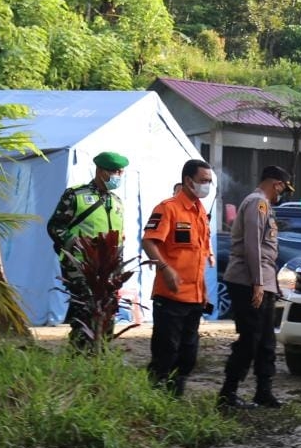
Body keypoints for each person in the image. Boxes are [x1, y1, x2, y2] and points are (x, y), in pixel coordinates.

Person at [218, 165, 293, 409]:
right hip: (247, 281)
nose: (281, 195)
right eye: (282, 189)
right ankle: (228, 393)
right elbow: (253, 245)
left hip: (263, 282)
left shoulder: (264, 206)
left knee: (266, 340)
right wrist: (259, 283)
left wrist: (270, 284)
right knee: (250, 337)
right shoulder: (257, 203)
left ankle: (264, 391)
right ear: (277, 184)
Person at [141, 159, 215, 396]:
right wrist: (165, 268)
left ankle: (175, 397)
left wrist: (204, 290)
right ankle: (153, 398)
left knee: (187, 354)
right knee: (166, 352)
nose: (207, 186)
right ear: (188, 181)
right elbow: (149, 241)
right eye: (203, 181)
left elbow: (201, 251)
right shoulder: (168, 208)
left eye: (210, 182)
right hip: (170, 294)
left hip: (194, 296)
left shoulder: (200, 211)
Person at [46, 151, 128, 350]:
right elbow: (55, 227)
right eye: (114, 171)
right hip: (81, 266)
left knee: (107, 312)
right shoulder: (76, 195)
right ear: (100, 171)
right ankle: (80, 355)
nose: (118, 175)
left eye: (121, 172)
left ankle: (101, 354)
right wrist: (77, 243)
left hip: (109, 270)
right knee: (85, 311)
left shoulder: (116, 201)